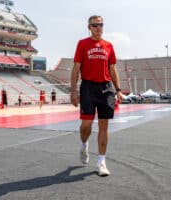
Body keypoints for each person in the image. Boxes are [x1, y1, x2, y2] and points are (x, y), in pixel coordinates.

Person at [71, 15, 123, 176]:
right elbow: (76, 67)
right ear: (89, 27)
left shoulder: (109, 45)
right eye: (95, 25)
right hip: (88, 87)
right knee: (86, 125)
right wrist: (73, 90)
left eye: (100, 25)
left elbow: (112, 68)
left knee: (103, 124)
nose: (98, 28)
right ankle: (84, 143)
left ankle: (101, 162)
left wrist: (118, 89)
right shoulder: (83, 44)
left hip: (106, 88)